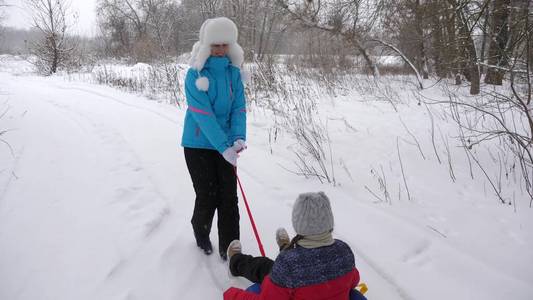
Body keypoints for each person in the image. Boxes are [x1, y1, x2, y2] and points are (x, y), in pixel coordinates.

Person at [181, 17, 247, 261]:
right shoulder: (195, 75)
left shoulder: (234, 73)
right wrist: (223, 146)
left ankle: (231, 249)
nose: (220, 50)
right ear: (207, 45)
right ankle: (201, 231)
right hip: (198, 145)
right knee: (207, 195)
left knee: (229, 197)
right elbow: (202, 114)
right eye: (215, 45)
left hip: (227, 145)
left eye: (224, 45)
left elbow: (239, 108)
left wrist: (238, 138)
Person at [223, 192, 364, 300]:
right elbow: (353, 280)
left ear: (298, 225)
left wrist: (232, 295)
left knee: (263, 266)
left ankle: (235, 262)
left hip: (288, 275)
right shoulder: (344, 251)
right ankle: (286, 246)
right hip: (295, 270)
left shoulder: (287, 264)